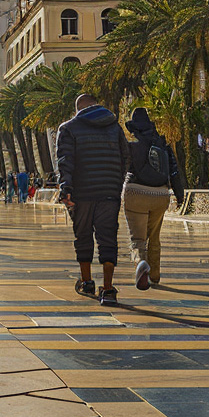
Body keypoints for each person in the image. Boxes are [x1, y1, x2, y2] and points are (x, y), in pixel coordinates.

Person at [57, 94, 129, 306]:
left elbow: (65, 161)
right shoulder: (115, 127)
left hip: (82, 192)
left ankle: (87, 281)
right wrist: (116, 183)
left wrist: (66, 189)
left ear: (78, 108)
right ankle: (108, 289)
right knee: (108, 238)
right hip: (109, 192)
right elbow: (126, 157)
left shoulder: (69, 128)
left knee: (83, 236)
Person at [122, 108, 185, 290]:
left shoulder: (131, 144)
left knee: (138, 239)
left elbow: (122, 169)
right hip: (160, 194)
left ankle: (141, 264)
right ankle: (155, 275)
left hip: (135, 193)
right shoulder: (162, 143)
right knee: (154, 237)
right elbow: (174, 171)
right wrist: (180, 196)